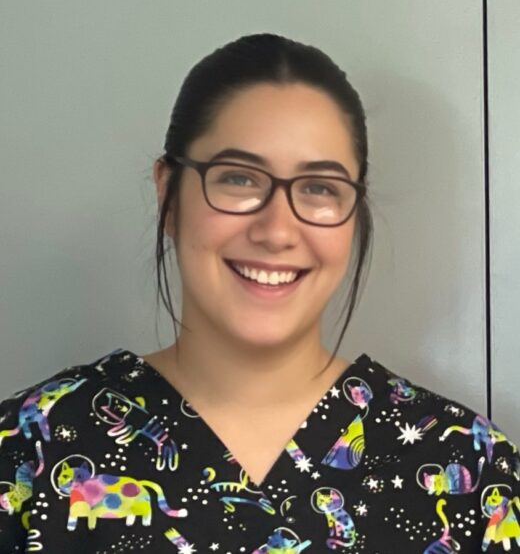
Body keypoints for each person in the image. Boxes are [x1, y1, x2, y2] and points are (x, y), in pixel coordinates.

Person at [0, 33, 518, 553]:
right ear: (168, 195)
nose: (277, 230)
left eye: (319, 187)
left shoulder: (473, 475)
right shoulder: (29, 450)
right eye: (238, 179)